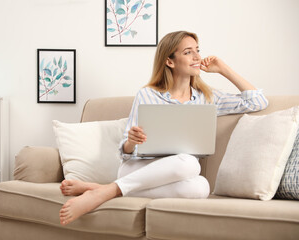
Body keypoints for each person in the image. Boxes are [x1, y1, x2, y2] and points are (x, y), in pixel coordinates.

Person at [59, 31, 269, 225]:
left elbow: (258, 102)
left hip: (176, 173)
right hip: (138, 168)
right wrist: (131, 142)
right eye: (188, 52)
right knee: (189, 162)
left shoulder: (207, 97)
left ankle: (102, 189)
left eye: (198, 50)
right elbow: (125, 153)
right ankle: (105, 192)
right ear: (169, 61)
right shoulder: (147, 95)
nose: (196, 56)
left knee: (201, 186)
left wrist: (223, 69)